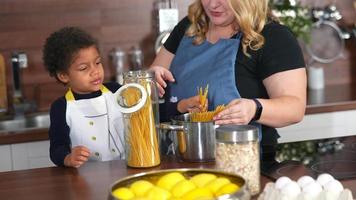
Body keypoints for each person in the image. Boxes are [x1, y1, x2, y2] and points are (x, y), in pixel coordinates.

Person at [150, 0, 307, 165]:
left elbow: (294, 108)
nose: (212, 5)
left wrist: (254, 108)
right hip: (176, 160)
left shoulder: (273, 36)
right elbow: (155, 85)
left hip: (243, 164)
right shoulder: (189, 27)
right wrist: (152, 80)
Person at [43, 27, 125, 168]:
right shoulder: (61, 107)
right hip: (85, 178)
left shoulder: (115, 90)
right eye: (83, 68)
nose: (95, 71)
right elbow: (56, 148)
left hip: (124, 168)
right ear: (63, 75)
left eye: (98, 63)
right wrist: (68, 158)